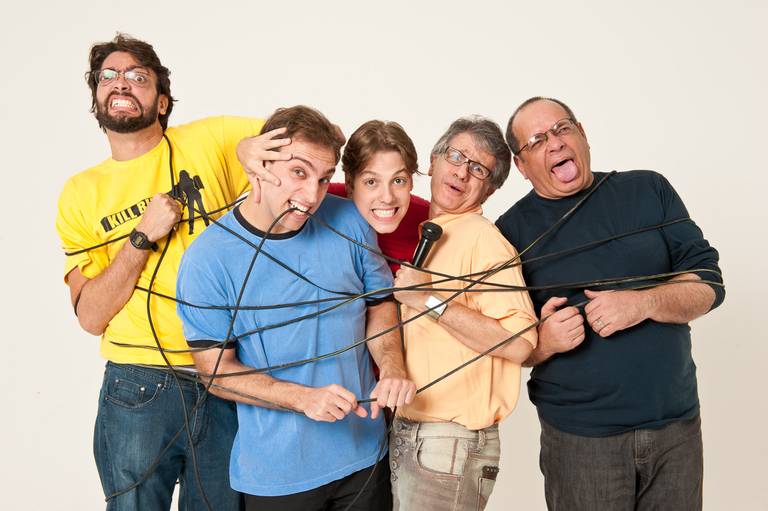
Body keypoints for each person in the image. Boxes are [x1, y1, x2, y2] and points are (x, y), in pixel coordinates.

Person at [55, 34, 285, 510]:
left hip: (225, 372)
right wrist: (140, 238)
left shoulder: (209, 139)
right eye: (109, 76)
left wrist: (249, 149)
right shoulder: (79, 194)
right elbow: (91, 316)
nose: (121, 83)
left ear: (161, 101)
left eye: (138, 76)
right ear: (97, 96)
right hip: (138, 383)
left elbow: (310, 143)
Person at [176, 105, 416, 511]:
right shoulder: (207, 258)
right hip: (278, 476)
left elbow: (379, 307)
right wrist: (302, 398)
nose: (312, 196)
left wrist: (392, 367)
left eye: (324, 179)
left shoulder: (349, 221)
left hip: (365, 457)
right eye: (299, 173)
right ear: (260, 165)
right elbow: (215, 374)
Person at [495, 96, 725, 511]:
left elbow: (709, 282)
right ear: (521, 165)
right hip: (582, 441)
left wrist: (643, 302)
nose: (555, 143)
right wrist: (544, 341)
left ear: (582, 134)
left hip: (676, 428)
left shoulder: (647, 189)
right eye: (537, 140)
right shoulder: (509, 232)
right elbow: (507, 342)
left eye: (563, 129)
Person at [391, 116, 539, 510]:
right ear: (434, 160)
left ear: (488, 189)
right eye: (456, 156)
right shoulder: (429, 229)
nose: (462, 172)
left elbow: (521, 342)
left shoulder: (483, 240)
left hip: (450, 442)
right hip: (413, 431)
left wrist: (430, 301)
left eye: (479, 169)